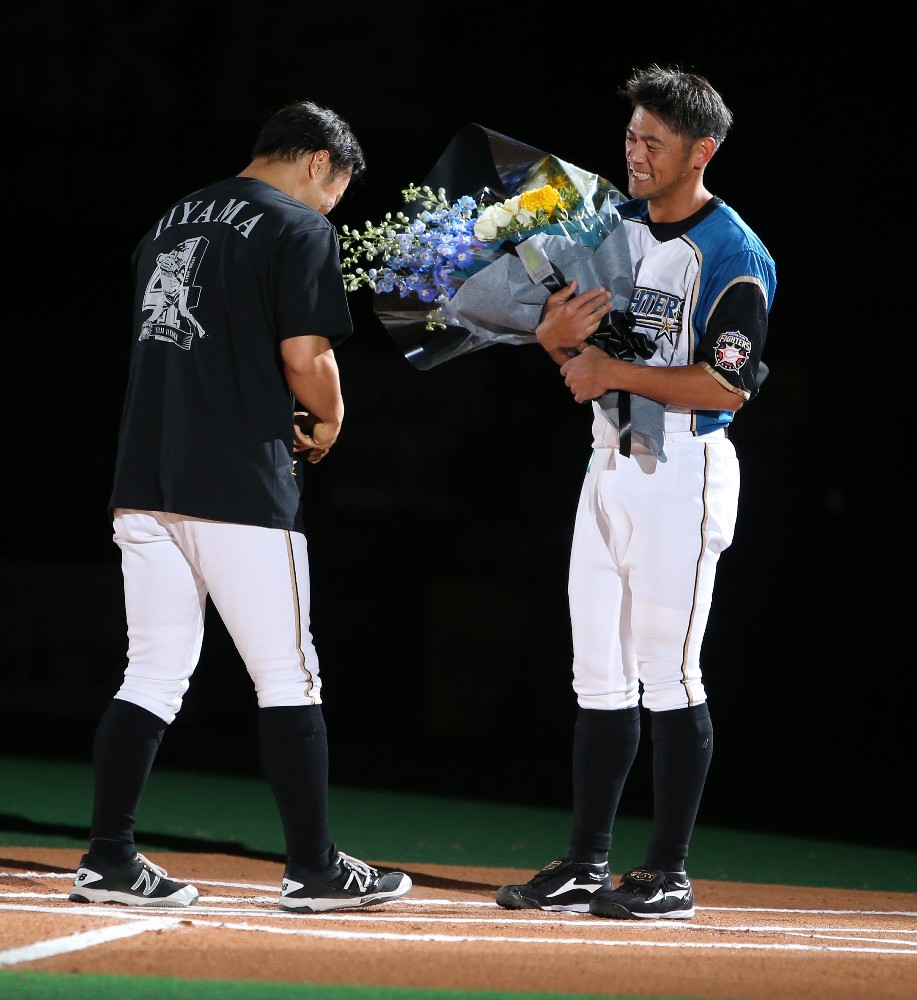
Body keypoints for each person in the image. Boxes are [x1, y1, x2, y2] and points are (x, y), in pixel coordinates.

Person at [69, 99, 412, 913]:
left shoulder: (168, 221)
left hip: (145, 478)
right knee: (287, 673)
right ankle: (315, 868)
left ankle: (108, 857)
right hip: (239, 485)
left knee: (150, 673)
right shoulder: (298, 226)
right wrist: (329, 417)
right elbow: (305, 354)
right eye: (336, 192)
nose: (332, 210)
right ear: (319, 164)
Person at [496, 65, 776, 920]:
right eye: (630, 137)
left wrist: (608, 366)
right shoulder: (610, 224)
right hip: (607, 467)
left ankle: (668, 873)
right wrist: (551, 335)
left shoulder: (733, 249)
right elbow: (572, 354)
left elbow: (727, 388)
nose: (635, 153)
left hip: (682, 477)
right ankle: (585, 863)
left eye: (653, 142)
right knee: (597, 677)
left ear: (703, 150)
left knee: (669, 673)